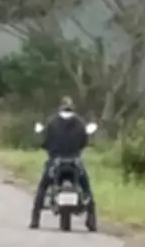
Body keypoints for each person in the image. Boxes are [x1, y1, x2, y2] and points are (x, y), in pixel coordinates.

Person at [29, 96, 97, 231]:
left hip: (56, 161)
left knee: (42, 188)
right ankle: (91, 220)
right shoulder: (80, 122)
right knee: (86, 189)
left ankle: (35, 219)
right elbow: (84, 142)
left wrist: (48, 147)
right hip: (75, 161)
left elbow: (44, 142)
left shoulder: (52, 122)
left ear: (60, 107)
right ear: (73, 108)